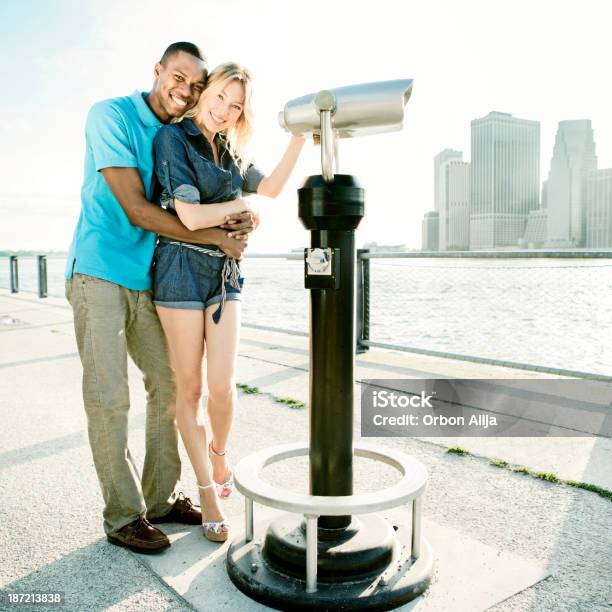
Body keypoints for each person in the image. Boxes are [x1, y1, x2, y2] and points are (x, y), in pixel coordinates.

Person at [64, 43, 256, 554]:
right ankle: (123, 516)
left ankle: (161, 497)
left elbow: (218, 192)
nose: (186, 90)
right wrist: (218, 237)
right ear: (157, 71)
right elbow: (136, 210)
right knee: (109, 397)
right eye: (178, 77)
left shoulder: (179, 135)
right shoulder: (111, 115)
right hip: (99, 271)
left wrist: (240, 217)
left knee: (170, 387)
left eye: (196, 85)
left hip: (150, 277)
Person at [152, 62, 304, 542]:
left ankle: (219, 454)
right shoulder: (173, 140)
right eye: (220, 97)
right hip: (177, 269)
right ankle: (207, 492)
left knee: (223, 386)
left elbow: (273, 188)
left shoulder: (232, 152)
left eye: (235, 106)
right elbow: (191, 216)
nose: (224, 110)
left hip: (224, 274)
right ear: (206, 91)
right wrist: (242, 209)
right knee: (190, 391)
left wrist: (300, 138)